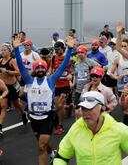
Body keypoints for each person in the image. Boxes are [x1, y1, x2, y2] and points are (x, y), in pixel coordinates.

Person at [13, 36, 75, 165]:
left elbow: (63, 66)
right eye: (38, 68)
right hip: (34, 118)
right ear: (34, 70)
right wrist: (16, 49)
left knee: (41, 147)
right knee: (43, 144)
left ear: (45, 69)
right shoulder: (29, 81)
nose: (40, 69)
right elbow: (20, 65)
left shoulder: (51, 80)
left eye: (43, 67)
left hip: (47, 117)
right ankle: (52, 153)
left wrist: (69, 49)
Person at [53, 91, 128, 165]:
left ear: (102, 108)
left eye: (90, 108)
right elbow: (61, 157)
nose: (86, 113)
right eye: (83, 108)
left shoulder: (117, 129)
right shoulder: (75, 129)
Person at [0, 42, 27, 135]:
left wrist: (7, 71)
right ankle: (0, 128)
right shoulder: (0, 61)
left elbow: (18, 72)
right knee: (3, 107)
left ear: (9, 51)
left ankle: (23, 113)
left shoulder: (12, 61)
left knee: (16, 104)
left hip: (12, 86)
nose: (2, 51)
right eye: (2, 50)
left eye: (4, 50)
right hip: (3, 87)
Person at [49, 41, 72, 135]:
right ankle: (68, 107)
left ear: (63, 48)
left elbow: (74, 69)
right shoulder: (54, 57)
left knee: (59, 105)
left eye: (57, 49)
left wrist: (71, 75)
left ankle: (60, 125)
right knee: (57, 106)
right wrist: (49, 73)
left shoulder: (68, 58)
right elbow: (51, 68)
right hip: (56, 85)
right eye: (55, 49)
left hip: (65, 85)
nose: (56, 51)